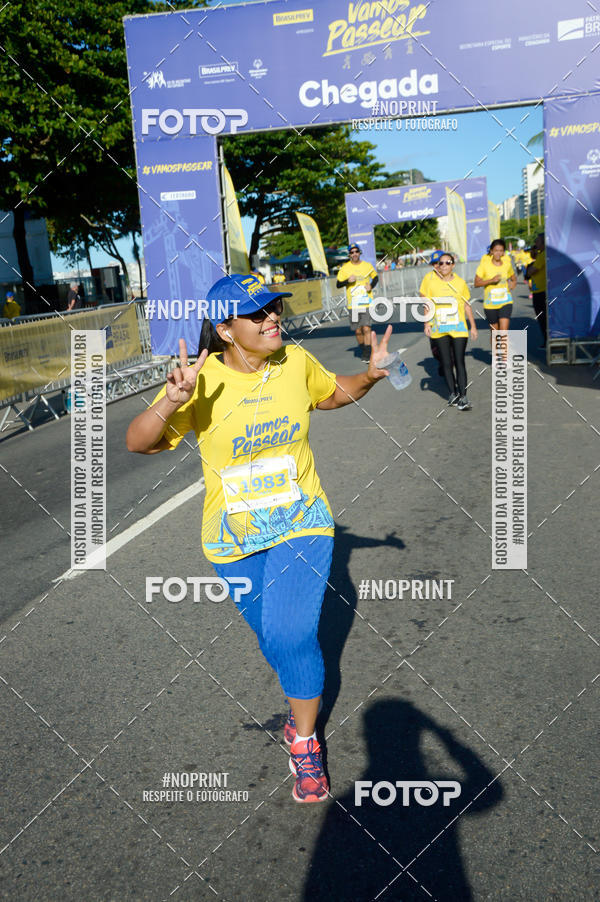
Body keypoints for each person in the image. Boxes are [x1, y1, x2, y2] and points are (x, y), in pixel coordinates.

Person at [126, 273, 394, 803]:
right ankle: (301, 703)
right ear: (225, 330)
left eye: (274, 307)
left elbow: (330, 394)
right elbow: (137, 442)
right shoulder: (199, 383)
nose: (273, 317)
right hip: (233, 539)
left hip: (303, 521)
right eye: (257, 313)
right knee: (276, 641)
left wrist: (370, 376)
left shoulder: (293, 363)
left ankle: (304, 742)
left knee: (293, 636)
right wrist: (169, 401)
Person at [421, 252, 477, 410]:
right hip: (440, 328)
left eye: (448, 263)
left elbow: (466, 305)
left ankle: (464, 396)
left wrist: (473, 326)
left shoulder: (460, 283)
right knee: (446, 362)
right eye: (441, 263)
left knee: (459, 361)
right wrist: (426, 324)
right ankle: (453, 394)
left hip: (458, 328)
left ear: (453, 265)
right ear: (438, 266)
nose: (444, 266)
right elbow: (427, 305)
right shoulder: (432, 284)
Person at [336, 244, 379, 362]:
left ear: (360, 253)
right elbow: (338, 284)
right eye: (352, 252)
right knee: (358, 330)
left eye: (356, 251)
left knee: (366, 328)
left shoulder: (367, 266)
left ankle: (367, 353)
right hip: (353, 304)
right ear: (349, 254)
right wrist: (347, 281)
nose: (354, 254)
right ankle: (363, 348)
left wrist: (371, 285)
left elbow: (375, 277)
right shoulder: (345, 268)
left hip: (366, 302)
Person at [474, 239, 517, 345]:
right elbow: (476, 283)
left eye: (501, 251)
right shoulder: (484, 265)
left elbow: (513, 278)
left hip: (505, 302)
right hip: (490, 305)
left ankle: (503, 359)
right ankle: (497, 356)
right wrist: (491, 280)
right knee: (495, 331)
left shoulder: (507, 264)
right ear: (491, 251)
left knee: (503, 331)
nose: (498, 253)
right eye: (496, 250)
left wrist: (513, 284)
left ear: (503, 252)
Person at [526, 232, 547, 348]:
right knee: (542, 317)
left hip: (541, 291)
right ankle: (546, 339)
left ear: (544, 243)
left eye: (537, 242)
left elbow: (531, 271)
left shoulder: (543, 255)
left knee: (542, 317)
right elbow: (533, 257)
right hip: (538, 290)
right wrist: (534, 251)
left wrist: (529, 269)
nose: (535, 244)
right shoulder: (540, 254)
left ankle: (547, 340)